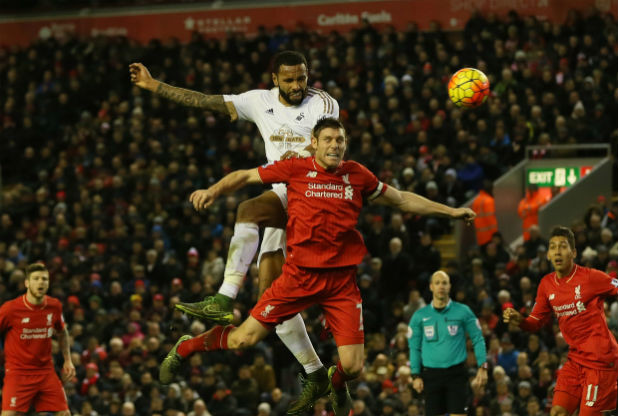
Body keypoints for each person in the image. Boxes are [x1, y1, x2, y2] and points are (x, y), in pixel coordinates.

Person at [158, 118, 476, 416]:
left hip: (340, 283)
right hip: (298, 276)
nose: (335, 145)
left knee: (352, 368)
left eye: (340, 140)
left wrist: (450, 212)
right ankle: (188, 346)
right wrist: (212, 191)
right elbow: (245, 175)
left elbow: (403, 199)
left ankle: (335, 384)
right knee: (244, 339)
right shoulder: (295, 169)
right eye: (328, 139)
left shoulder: (357, 175)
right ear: (314, 143)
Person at [130, 51, 338, 413]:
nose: (296, 86)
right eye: (288, 79)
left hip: (313, 198)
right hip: (285, 195)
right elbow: (205, 101)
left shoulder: (323, 102)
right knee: (271, 302)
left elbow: (325, 143)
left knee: (253, 227)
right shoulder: (258, 101)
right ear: (274, 79)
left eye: (301, 78)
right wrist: (154, 85)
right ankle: (314, 370)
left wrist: (302, 154)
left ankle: (224, 304)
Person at [503, 226, 618, 416]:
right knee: (556, 411)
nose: (557, 251)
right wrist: (520, 320)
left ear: (573, 252)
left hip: (601, 362)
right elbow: (535, 322)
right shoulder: (546, 284)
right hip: (575, 360)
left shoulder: (591, 277)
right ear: (547, 254)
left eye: (563, 246)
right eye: (553, 247)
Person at [408, 270, 488, 416]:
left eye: (444, 283)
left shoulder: (463, 311)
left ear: (450, 286)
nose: (441, 286)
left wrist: (483, 366)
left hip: (456, 374)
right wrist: (415, 374)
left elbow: (478, 338)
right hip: (431, 375)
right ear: (431, 286)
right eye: (437, 283)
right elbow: (414, 347)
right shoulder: (419, 316)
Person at [0, 263, 76, 416]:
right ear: (27, 283)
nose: (41, 282)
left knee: (65, 413)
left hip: (45, 371)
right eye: (36, 279)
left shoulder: (54, 306)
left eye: (44, 279)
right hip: (18, 372)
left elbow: (62, 332)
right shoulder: (10, 309)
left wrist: (68, 359)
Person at [471, 179, 498, 247]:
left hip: (480, 236)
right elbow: (490, 219)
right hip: (489, 236)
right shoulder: (488, 200)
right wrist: (495, 234)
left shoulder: (476, 200)